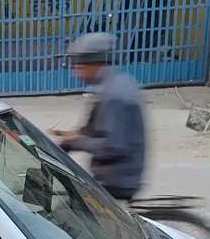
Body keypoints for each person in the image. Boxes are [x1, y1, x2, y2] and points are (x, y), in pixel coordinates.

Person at [50, 32, 147, 202]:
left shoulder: (113, 93)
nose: (76, 73)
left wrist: (76, 141)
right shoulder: (114, 83)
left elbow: (113, 145)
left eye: (78, 67)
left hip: (116, 179)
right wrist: (72, 136)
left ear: (93, 63)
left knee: (67, 212)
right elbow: (98, 129)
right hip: (118, 171)